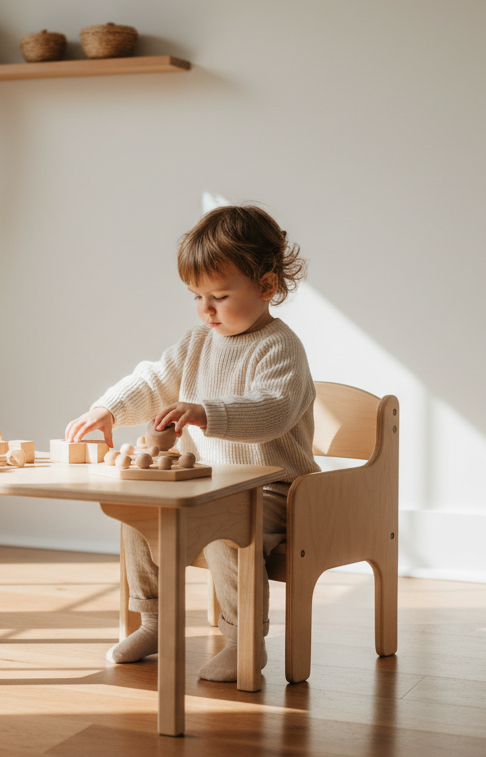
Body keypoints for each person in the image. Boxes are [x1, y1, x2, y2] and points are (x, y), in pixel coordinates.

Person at [64, 204, 319, 682]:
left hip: (274, 489)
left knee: (226, 524)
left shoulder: (280, 347)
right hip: (210, 481)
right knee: (138, 511)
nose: (206, 309)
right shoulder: (198, 342)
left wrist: (206, 412)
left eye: (220, 296)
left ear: (267, 287)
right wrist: (109, 409)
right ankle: (155, 621)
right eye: (197, 296)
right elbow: (154, 379)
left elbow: (273, 409)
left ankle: (244, 639)